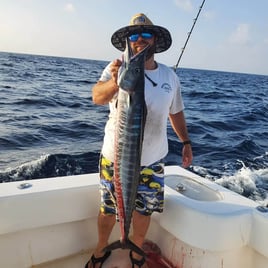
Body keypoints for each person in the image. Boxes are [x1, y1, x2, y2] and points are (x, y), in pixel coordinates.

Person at [86, 13, 193, 268]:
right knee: (108, 209)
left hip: (152, 159)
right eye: (134, 36)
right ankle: (101, 249)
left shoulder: (169, 77)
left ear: (155, 40)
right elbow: (97, 97)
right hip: (115, 158)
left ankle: (135, 251)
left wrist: (186, 142)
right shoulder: (118, 69)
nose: (140, 40)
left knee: (144, 211)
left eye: (146, 35)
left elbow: (175, 111)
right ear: (128, 41)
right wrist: (115, 83)